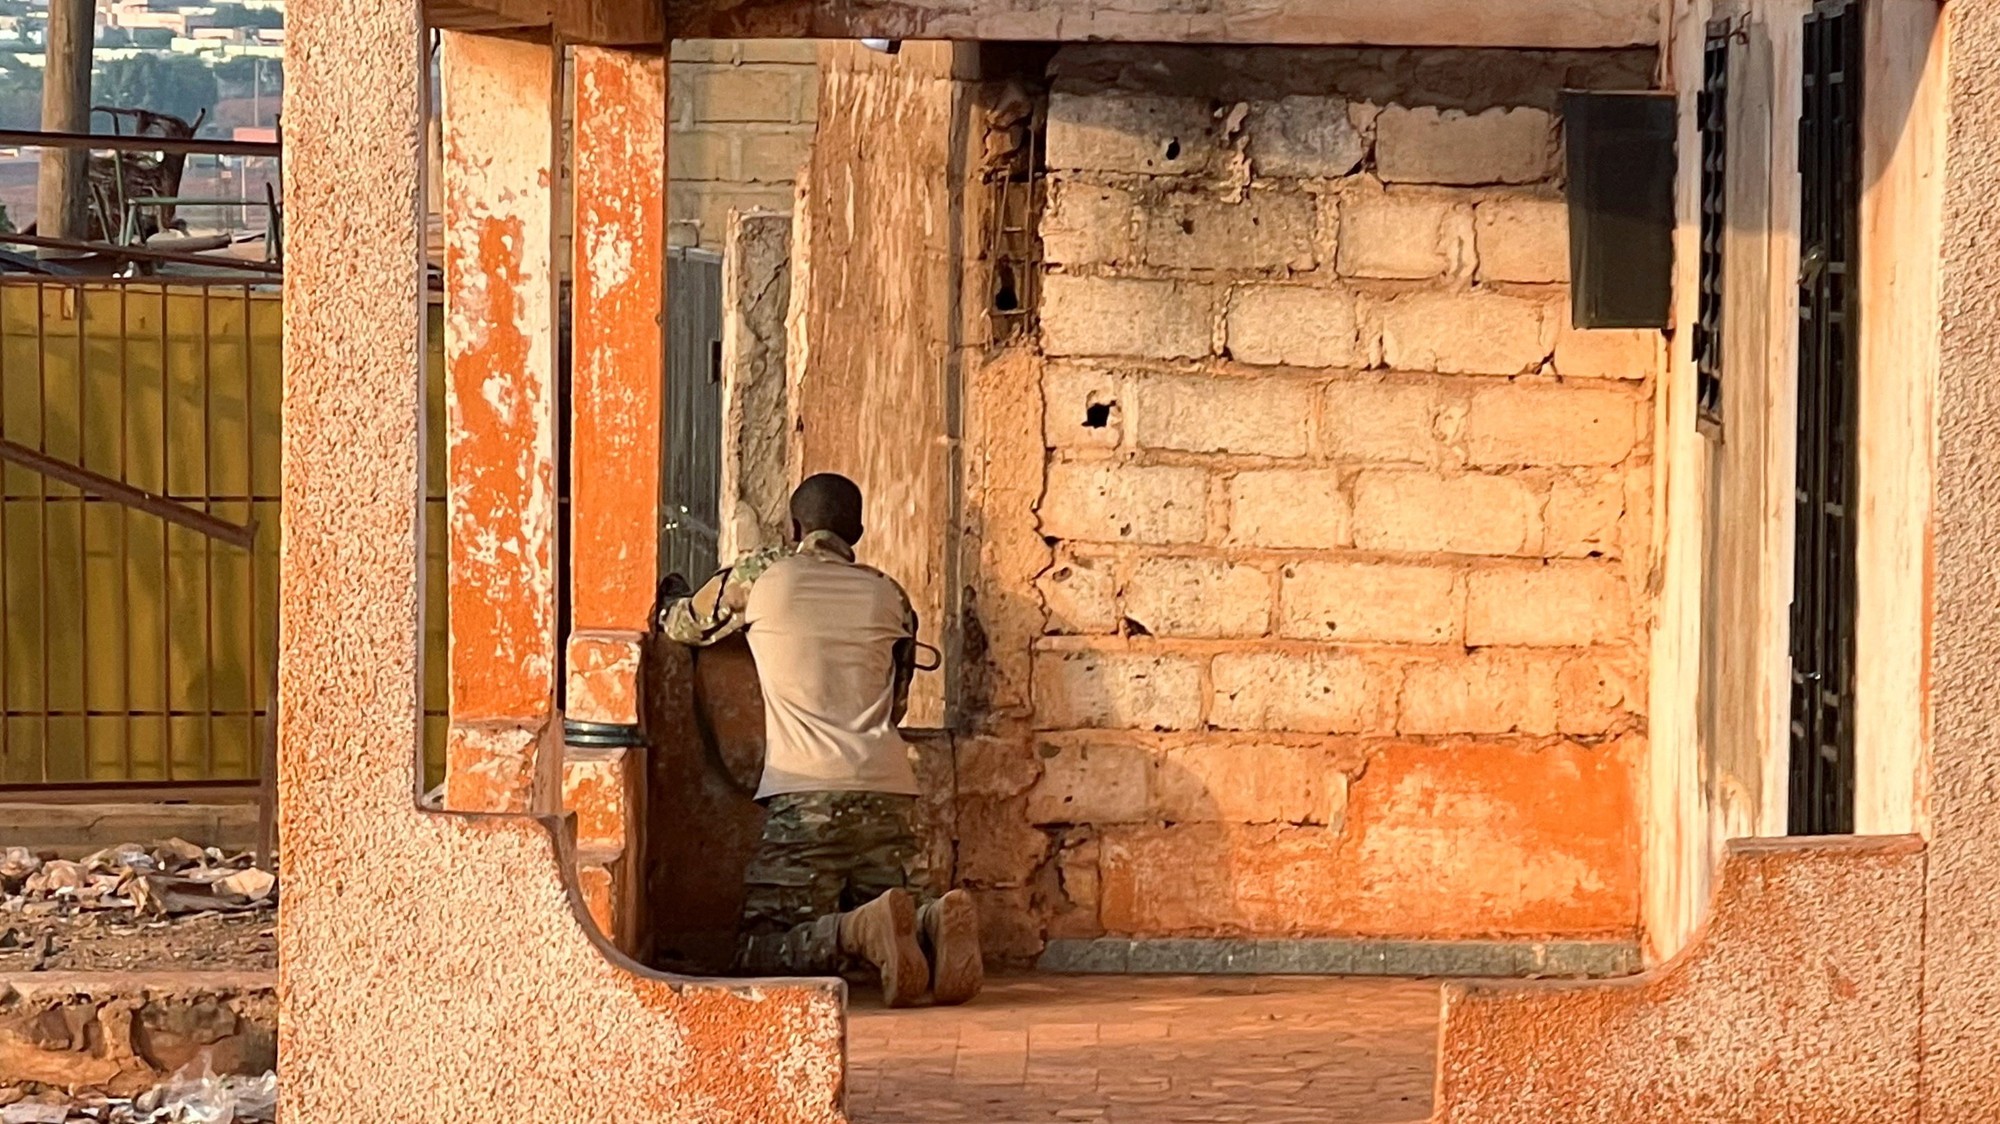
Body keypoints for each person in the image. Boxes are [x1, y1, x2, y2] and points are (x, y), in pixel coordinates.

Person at [658, 473, 981, 1007]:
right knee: (888, 903)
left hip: (803, 799)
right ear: (857, 529)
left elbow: (682, 625)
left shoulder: (763, 574)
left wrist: (672, 592)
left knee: (758, 952)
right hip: (888, 794)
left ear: (794, 527)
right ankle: (929, 923)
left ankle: (856, 933)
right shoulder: (892, 595)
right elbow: (897, 703)